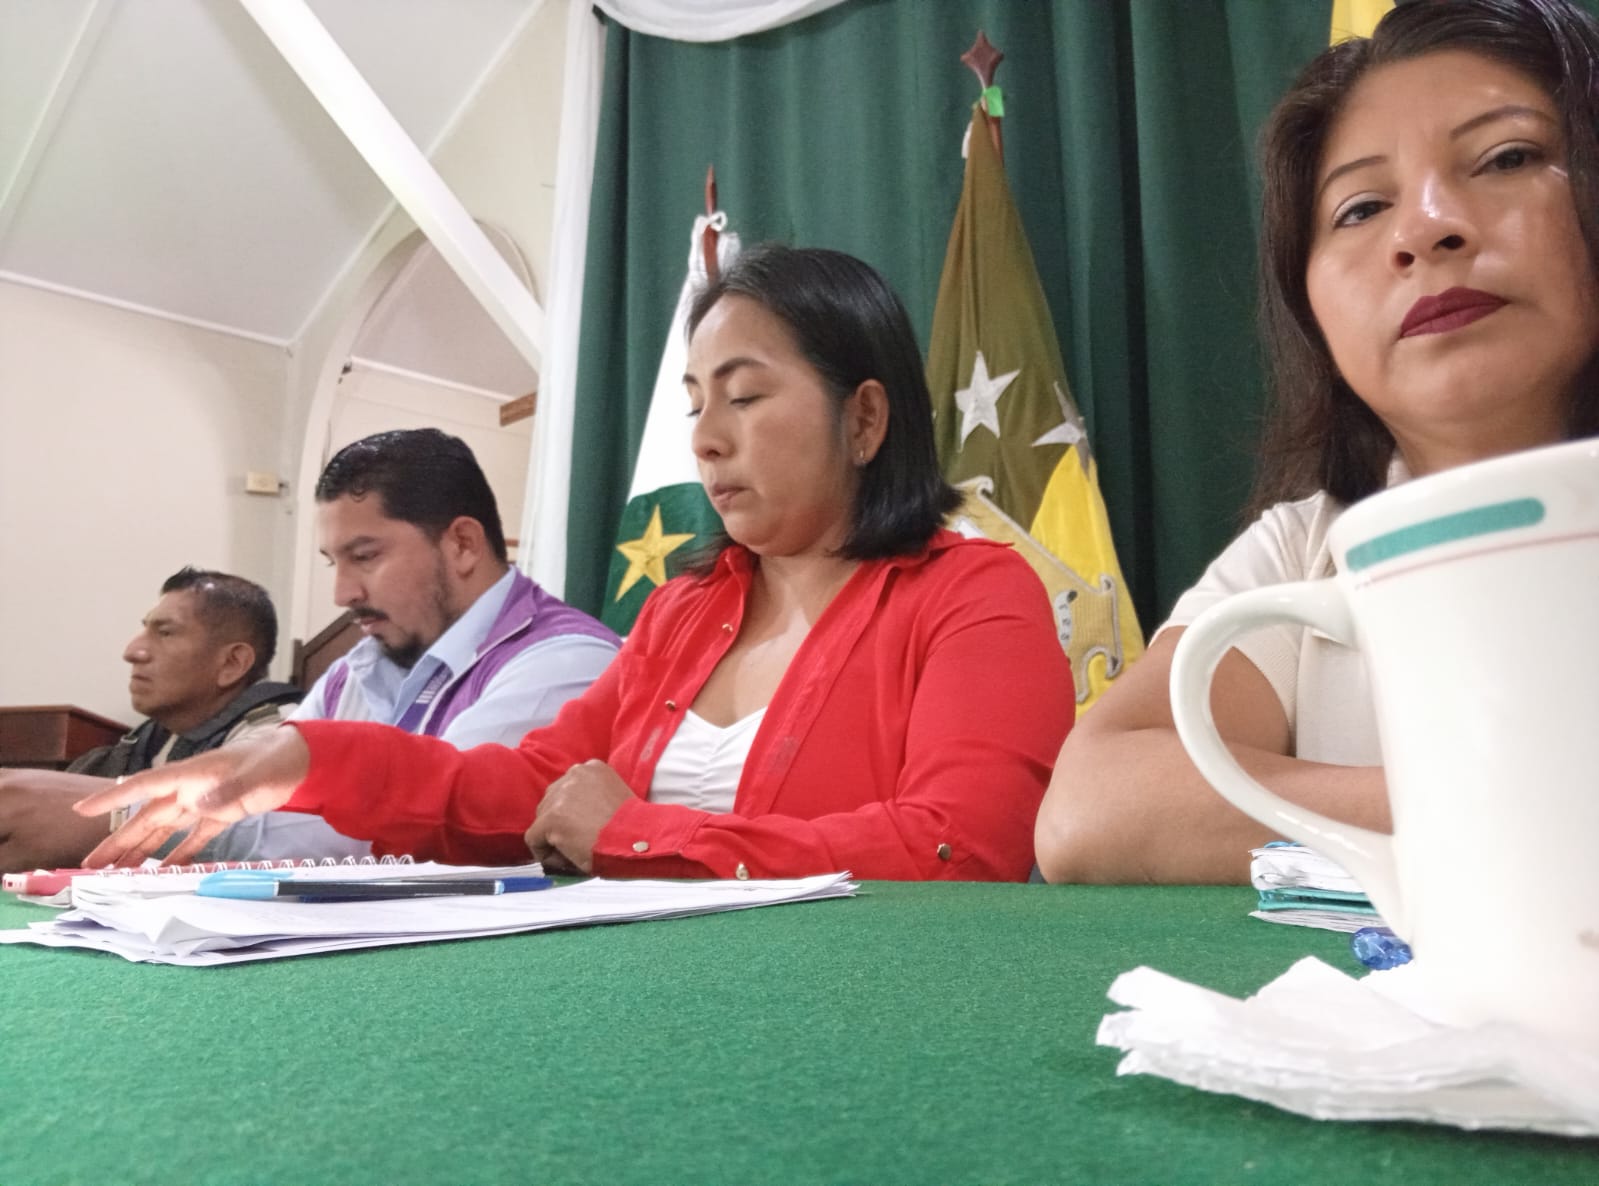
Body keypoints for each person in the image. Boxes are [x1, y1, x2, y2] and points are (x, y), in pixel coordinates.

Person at [79, 246, 1075, 881]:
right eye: (695, 403)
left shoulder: (973, 594)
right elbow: (528, 786)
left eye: (744, 396)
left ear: (863, 417)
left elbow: (959, 846)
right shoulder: (684, 613)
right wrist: (313, 762)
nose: (706, 439)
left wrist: (639, 835)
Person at [1035, 0, 1599, 884]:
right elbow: (1089, 810)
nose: (1423, 227)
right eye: (1360, 207)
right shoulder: (1307, 545)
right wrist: (1496, 805)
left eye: (1506, 158)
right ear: (1310, 312)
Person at [0, 568, 301, 872]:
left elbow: (277, 835)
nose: (132, 652)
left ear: (232, 662)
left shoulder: (284, 734)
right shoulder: (151, 740)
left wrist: (115, 815)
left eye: (165, 633)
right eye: (145, 630)